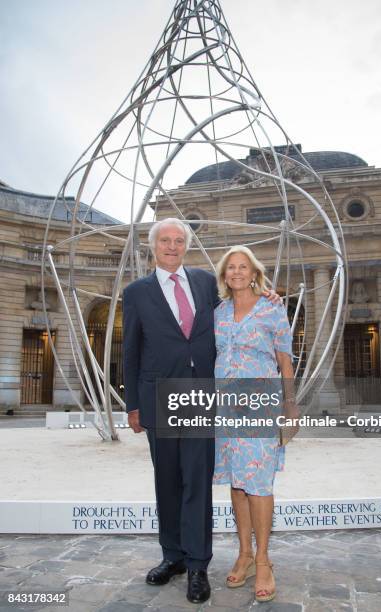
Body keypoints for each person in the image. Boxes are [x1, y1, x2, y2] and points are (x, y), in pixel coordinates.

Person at [123, 219, 281, 604]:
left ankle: (197, 565)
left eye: (179, 241)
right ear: (153, 246)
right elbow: (129, 349)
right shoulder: (136, 292)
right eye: (166, 241)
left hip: (201, 396)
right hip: (159, 394)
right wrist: (133, 405)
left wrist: (269, 298)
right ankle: (172, 557)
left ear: (186, 246)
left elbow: (240, 303)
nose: (173, 247)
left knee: (196, 482)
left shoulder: (205, 282)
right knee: (167, 482)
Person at [213, 245, 299, 603]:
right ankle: (244, 554)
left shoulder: (272, 309)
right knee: (238, 483)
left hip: (261, 405)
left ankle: (263, 560)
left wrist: (290, 406)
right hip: (226, 407)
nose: (236, 272)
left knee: (259, 484)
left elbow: (285, 360)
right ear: (224, 275)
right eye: (230, 267)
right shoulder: (217, 312)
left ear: (253, 273)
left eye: (242, 266)